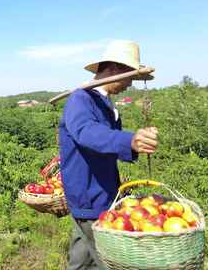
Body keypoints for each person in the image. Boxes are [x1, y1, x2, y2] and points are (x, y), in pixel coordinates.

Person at [59, 40, 159, 269]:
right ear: (114, 69)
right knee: (110, 261)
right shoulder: (80, 100)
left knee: (82, 259)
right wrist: (129, 140)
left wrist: (135, 144)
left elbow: (106, 143)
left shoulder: (104, 103)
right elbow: (87, 133)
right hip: (89, 194)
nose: (130, 84)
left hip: (101, 192)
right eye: (130, 78)